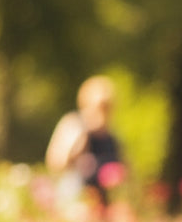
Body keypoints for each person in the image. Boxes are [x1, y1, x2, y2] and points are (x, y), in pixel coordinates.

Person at [45, 75, 125, 210]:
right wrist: (79, 143)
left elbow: (123, 170)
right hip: (76, 197)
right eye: (101, 106)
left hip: (104, 201)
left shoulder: (111, 136)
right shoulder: (74, 125)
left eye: (107, 106)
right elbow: (56, 163)